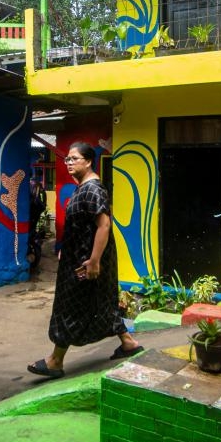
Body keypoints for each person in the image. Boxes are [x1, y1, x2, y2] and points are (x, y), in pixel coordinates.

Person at [27, 142, 143, 379]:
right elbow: (82, 226)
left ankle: (55, 361)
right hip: (80, 258)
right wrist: (66, 248)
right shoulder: (83, 188)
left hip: (87, 262)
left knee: (70, 305)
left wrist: (94, 261)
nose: (69, 163)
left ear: (88, 161)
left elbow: (104, 225)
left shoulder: (93, 190)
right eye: (67, 159)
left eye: (74, 158)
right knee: (100, 302)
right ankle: (128, 342)